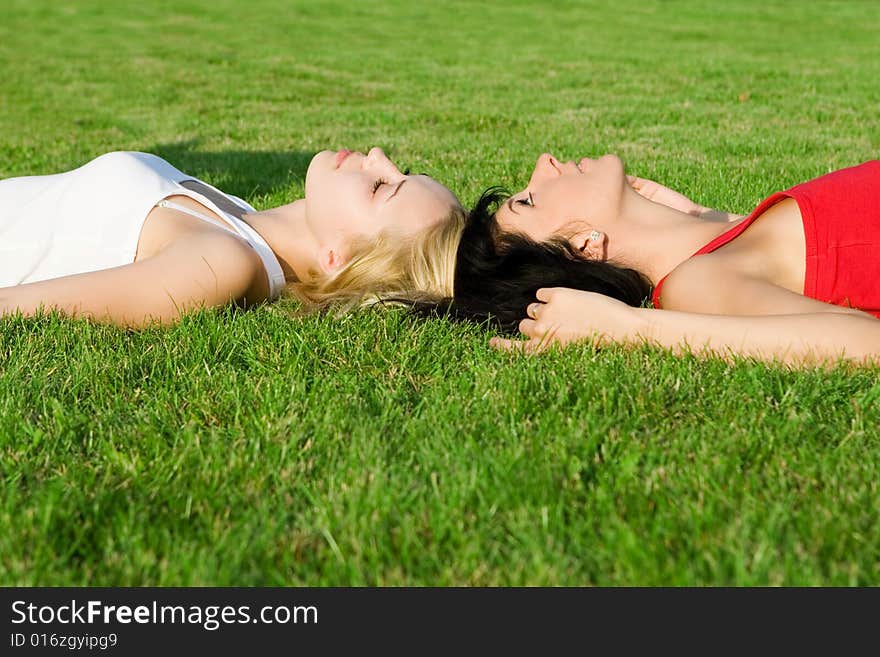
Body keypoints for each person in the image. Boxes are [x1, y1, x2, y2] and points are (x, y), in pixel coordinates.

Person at [445, 153, 880, 367]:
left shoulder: (719, 247)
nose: (545, 163)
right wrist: (626, 326)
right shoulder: (694, 282)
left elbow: (838, 243)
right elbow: (865, 343)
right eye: (531, 199)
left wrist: (699, 218)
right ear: (583, 246)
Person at [0, 148, 464, 327]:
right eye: (399, 171)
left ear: (336, 259)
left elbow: (20, 307)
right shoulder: (241, 218)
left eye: (382, 186)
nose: (380, 157)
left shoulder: (224, 261)